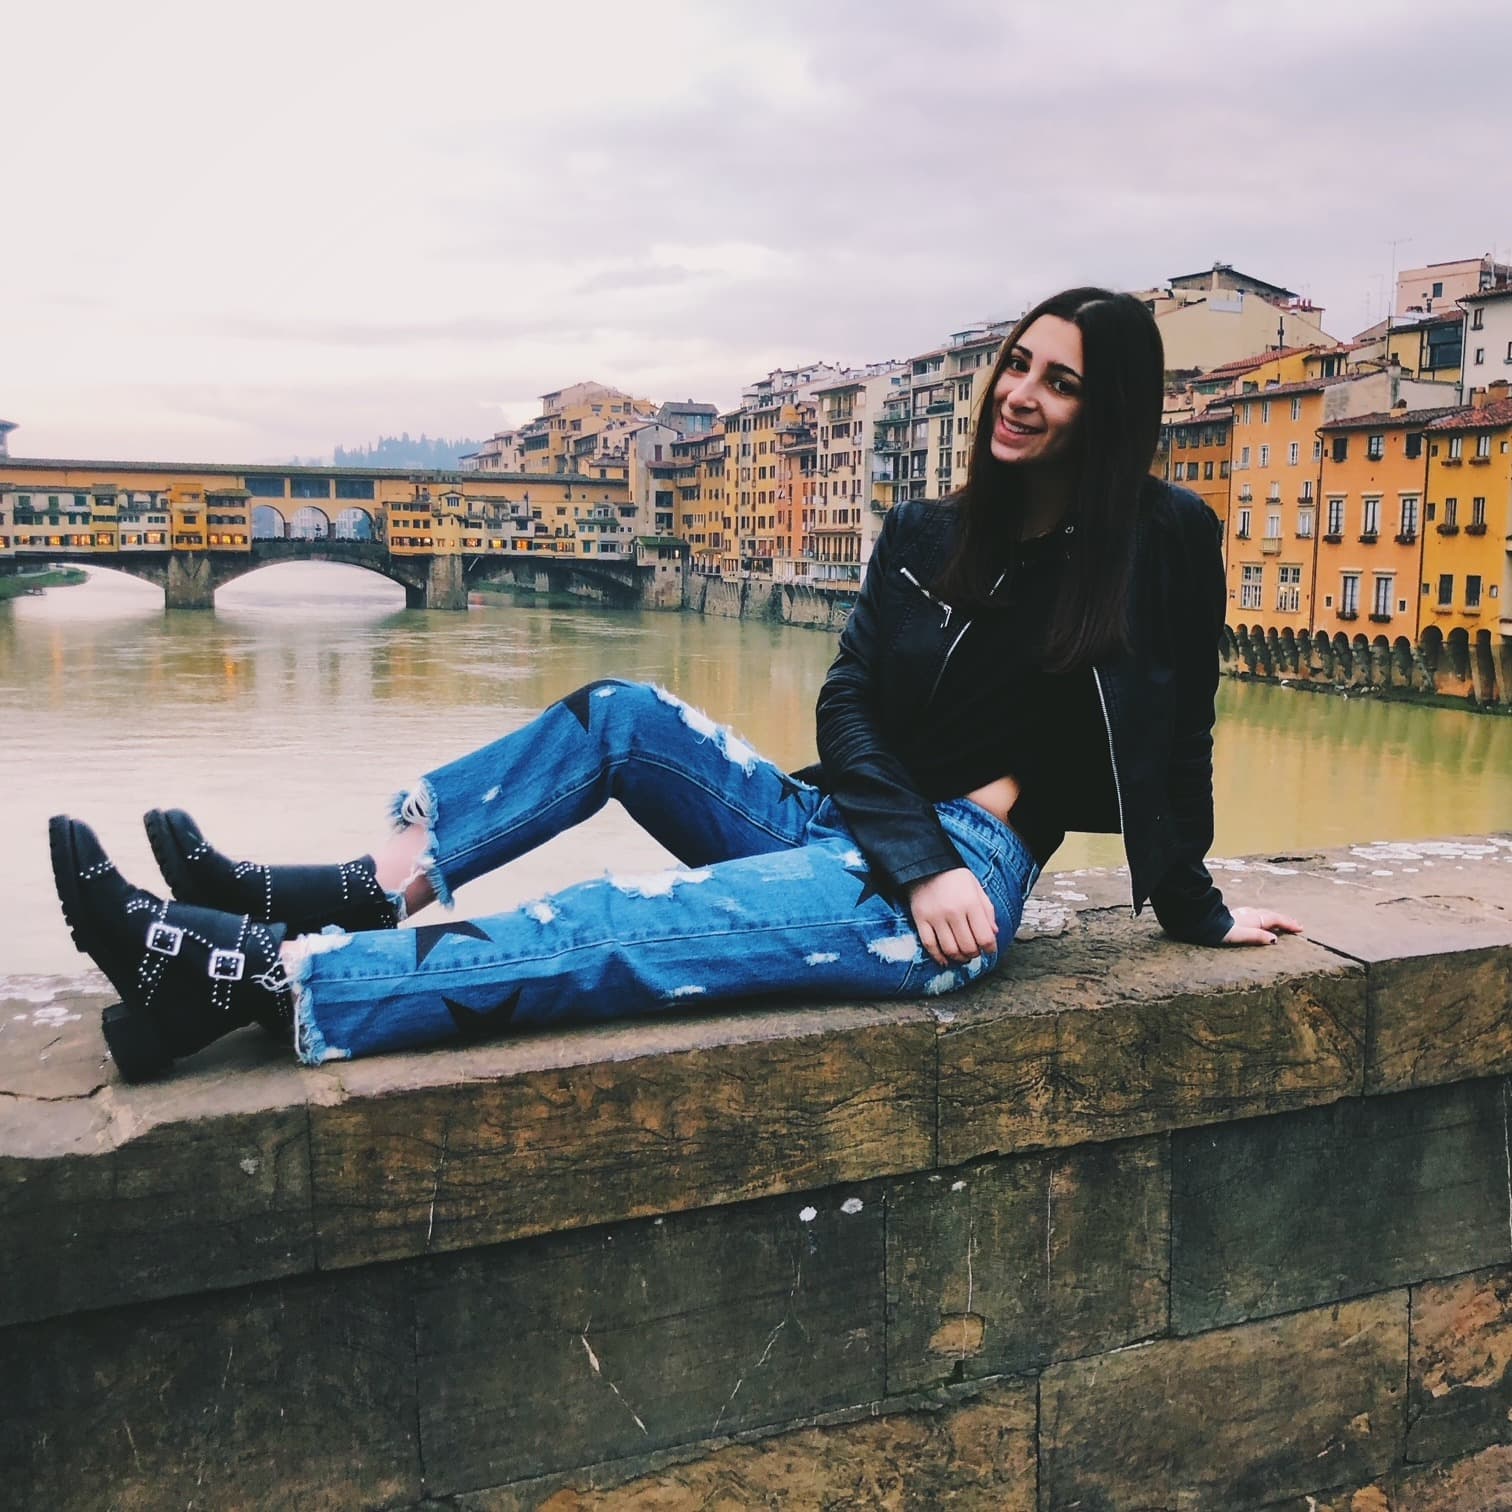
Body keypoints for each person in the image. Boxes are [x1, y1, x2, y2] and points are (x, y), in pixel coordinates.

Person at [49, 286, 1301, 1082]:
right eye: (1019, 365)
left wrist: (1188, 904)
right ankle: (356, 889)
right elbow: (848, 704)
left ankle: (247, 979)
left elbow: (1178, 724)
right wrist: (902, 846)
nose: (1021, 395)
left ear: (1112, 407)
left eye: (1062, 380)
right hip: (861, 828)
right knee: (623, 717)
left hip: (964, 879)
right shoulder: (929, 530)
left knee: (608, 925)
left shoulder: (1163, 539)